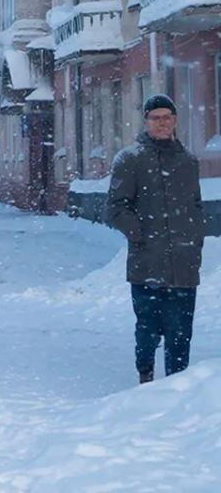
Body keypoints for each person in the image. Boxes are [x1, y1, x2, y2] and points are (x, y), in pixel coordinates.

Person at [107, 94, 205, 384]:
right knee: (148, 330)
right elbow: (115, 208)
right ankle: (146, 379)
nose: (162, 123)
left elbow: (195, 206)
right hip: (147, 262)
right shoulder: (130, 159)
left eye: (167, 117)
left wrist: (194, 239)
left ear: (175, 121)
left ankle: (177, 388)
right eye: (156, 118)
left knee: (180, 332)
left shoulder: (188, 161)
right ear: (146, 121)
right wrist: (142, 235)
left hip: (184, 263)